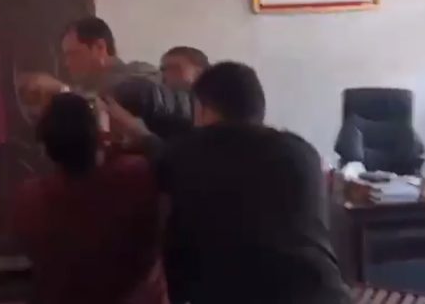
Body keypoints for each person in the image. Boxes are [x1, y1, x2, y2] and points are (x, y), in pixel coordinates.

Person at [105, 62, 349, 304]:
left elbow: (161, 155)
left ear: (202, 109)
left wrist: (133, 130)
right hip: (325, 295)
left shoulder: (192, 151)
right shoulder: (303, 152)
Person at [10, 93, 169, 304]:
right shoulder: (135, 174)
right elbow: (170, 163)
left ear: (46, 147)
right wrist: (139, 134)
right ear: (98, 136)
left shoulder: (30, 199)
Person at [61, 16, 192, 140]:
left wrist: (63, 91)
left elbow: (132, 92)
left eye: (73, 54)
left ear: (100, 47)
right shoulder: (86, 89)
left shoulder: (141, 74)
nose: (67, 63)